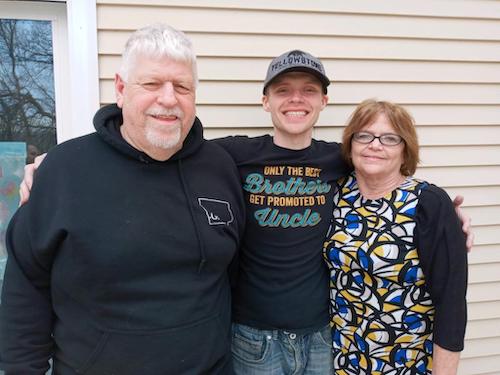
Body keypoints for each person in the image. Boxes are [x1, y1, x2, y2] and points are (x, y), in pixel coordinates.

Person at [16, 49, 474, 374]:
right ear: (265, 101)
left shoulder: (346, 158)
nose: (296, 99)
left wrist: (444, 221)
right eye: (283, 91)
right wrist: (50, 166)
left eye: (308, 91)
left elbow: (390, 180)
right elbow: (158, 145)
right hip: (251, 336)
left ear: (323, 102)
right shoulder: (228, 154)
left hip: (321, 334)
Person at [0, 24, 245, 375]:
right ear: (120, 88)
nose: (168, 98)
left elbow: (231, 272)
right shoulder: (65, 170)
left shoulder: (219, 167)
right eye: (151, 84)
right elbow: (27, 286)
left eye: (182, 87)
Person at [323, 99, 467, 374]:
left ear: (405, 150)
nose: (375, 145)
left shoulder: (428, 204)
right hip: (343, 363)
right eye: (364, 136)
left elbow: (451, 305)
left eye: (390, 138)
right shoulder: (337, 194)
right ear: (351, 145)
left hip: (406, 363)